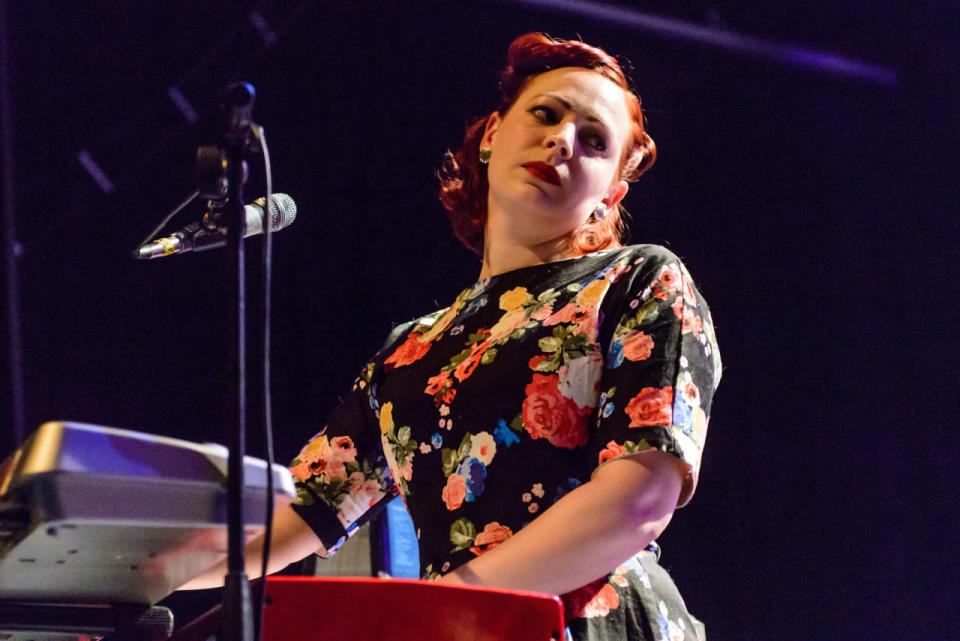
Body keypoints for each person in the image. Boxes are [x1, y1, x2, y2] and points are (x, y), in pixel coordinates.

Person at [182, 32, 722, 641]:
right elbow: (289, 517)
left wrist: (442, 608)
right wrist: (117, 572)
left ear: (610, 196)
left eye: (594, 141)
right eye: (544, 114)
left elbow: (639, 501)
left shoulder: (638, 278)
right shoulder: (410, 352)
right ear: (491, 135)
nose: (562, 140)